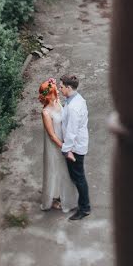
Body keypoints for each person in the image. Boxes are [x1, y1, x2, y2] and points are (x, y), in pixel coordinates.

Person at [38, 78, 77, 213]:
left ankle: (63, 195)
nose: (58, 93)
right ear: (50, 95)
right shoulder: (46, 113)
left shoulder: (57, 102)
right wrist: (65, 148)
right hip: (55, 145)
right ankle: (53, 198)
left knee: (65, 169)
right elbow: (52, 135)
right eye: (56, 91)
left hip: (63, 140)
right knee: (56, 170)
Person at [59, 73, 90, 220]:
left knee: (79, 177)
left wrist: (66, 150)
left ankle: (84, 208)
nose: (60, 89)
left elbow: (71, 132)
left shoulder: (73, 107)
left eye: (61, 87)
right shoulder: (74, 98)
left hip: (75, 146)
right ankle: (81, 204)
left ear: (69, 87)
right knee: (77, 176)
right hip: (77, 142)